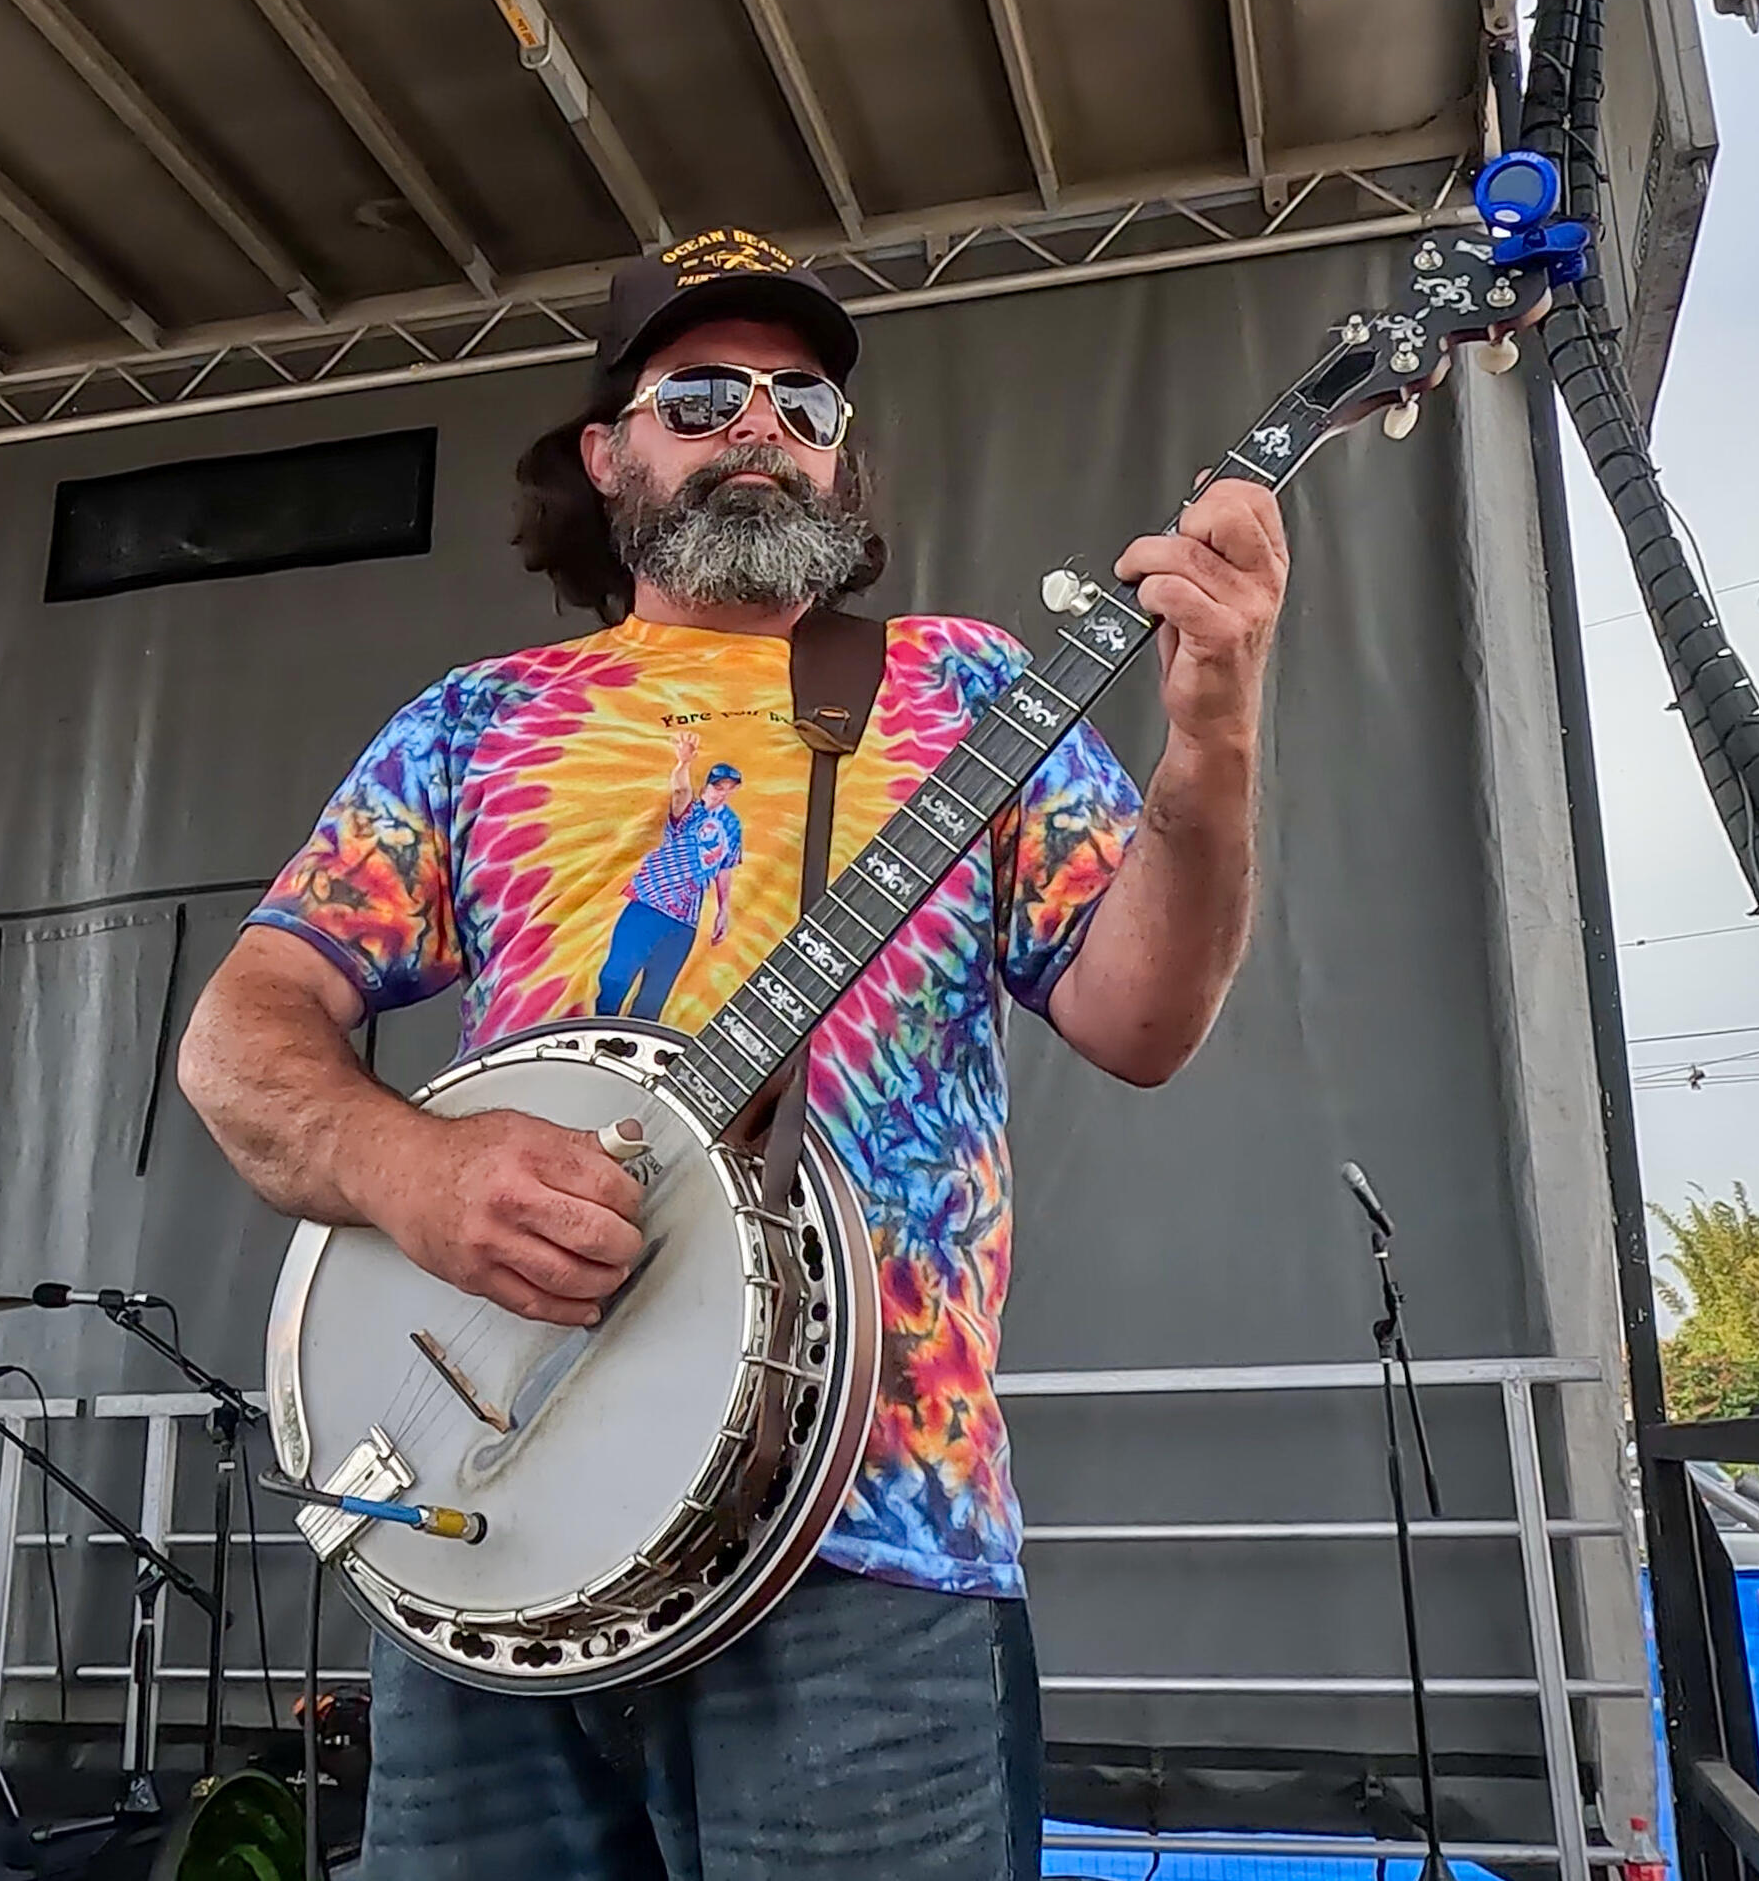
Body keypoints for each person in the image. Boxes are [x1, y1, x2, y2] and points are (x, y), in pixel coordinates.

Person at [177, 222, 1289, 1880]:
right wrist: (410, 1168)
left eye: (803, 405)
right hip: (495, 1547)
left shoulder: (961, 687)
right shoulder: (473, 726)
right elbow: (240, 1040)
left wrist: (1210, 728)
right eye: (701, 396)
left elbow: (1141, 1019)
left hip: (867, 1552)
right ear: (608, 450)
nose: (761, 427)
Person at [595, 735, 743, 1017]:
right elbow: (680, 792)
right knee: (616, 978)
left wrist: (724, 909)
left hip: (684, 921)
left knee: (654, 997)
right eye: (717, 786)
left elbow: (725, 866)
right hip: (649, 904)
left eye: (729, 788)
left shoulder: (732, 824)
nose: (721, 793)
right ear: (707, 786)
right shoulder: (690, 811)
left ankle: (632, 1049)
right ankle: (598, 1038)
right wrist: (683, 763)